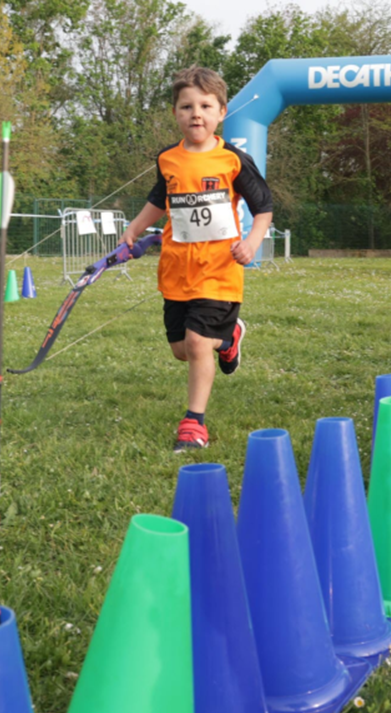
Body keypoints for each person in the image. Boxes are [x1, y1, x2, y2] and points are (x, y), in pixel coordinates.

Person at [120, 66, 273, 452]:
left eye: (205, 105)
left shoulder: (233, 160)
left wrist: (252, 242)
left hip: (219, 271)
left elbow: (264, 207)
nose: (196, 114)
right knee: (181, 350)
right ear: (176, 113)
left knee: (197, 341)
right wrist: (135, 228)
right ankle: (229, 338)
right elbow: (160, 199)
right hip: (176, 269)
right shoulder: (168, 160)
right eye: (186, 106)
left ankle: (194, 423)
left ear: (222, 111)